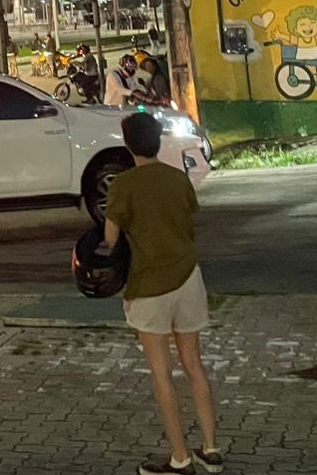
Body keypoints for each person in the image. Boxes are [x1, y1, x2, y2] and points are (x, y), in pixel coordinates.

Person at [104, 112, 222, 475]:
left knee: (161, 373)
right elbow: (187, 220)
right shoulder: (177, 179)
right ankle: (211, 449)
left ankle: (179, 458)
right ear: (158, 141)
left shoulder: (122, 185)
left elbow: (110, 240)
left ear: (128, 145)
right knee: (194, 364)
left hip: (150, 285)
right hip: (188, 277)